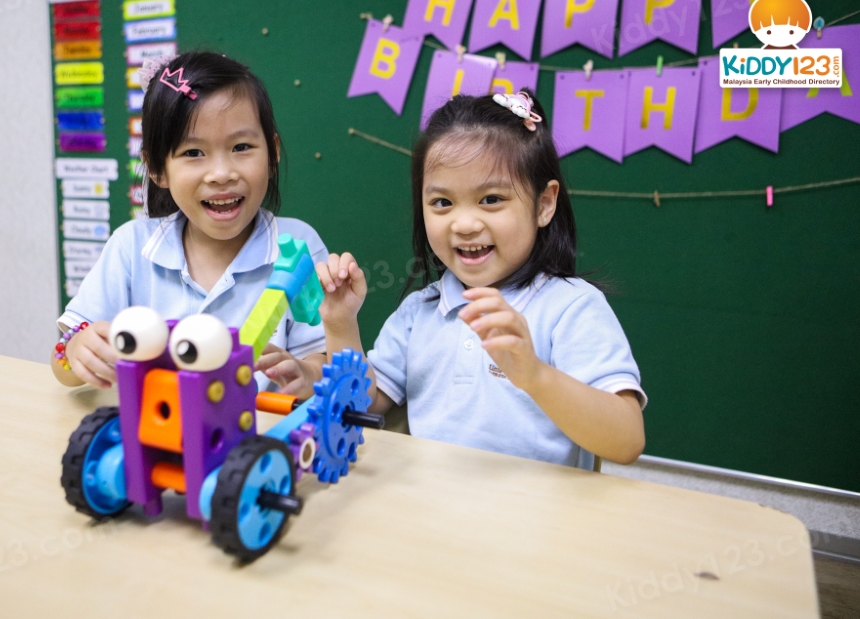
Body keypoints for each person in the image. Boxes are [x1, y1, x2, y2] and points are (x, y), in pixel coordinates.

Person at [316, 89, 646, 467]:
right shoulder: (419, 312)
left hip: (537, 506)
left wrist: (535, 375)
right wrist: (340, 324)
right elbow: (362, 406)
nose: (465, 224)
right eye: (442, 202)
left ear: (544, 204)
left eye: (491, 199)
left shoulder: (572, 307)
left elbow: (626, 441)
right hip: (429, 500)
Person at [51, 51, 327, 396]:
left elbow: (322, 357)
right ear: (157, 168)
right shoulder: (131, 247)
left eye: (241, 146)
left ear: (272, 153)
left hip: (255, 429)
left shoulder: (297, 246)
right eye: (193, 153)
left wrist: (307, 374)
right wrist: (76, 351)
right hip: (154, 425)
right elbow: (63, 364)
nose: (221, 174)